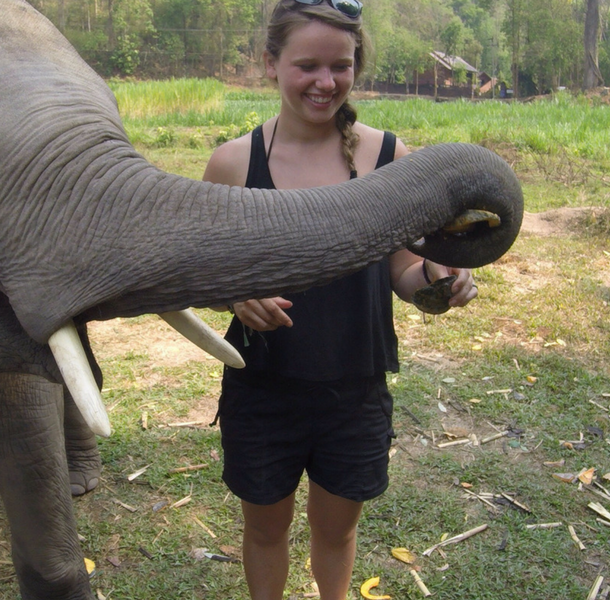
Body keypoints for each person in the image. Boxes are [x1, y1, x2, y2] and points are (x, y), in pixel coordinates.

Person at [203, 1, 478, 599]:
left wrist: (439, 279)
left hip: (355, 384)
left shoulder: (389, 161)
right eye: (307, 65)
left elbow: (404, 266)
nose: (325, 83)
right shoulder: (231, 164)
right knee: (265, 529)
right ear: (271, 64)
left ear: (356, 67)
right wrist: (236, 294)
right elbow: (206, 272)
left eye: (340, 66)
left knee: (337, 531)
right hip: (262, 387)